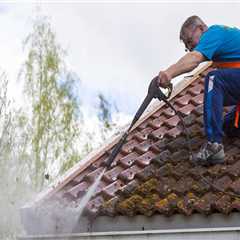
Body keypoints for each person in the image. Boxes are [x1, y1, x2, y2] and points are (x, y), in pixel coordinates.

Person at [157, 15, 240, 165]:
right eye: (187, 46)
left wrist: (169, 73)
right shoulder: (225, 52)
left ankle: (214, 145)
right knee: (229, 126)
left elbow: (194, 59)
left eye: (189, 41)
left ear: (201, 28)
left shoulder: (214, 32)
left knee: (214, 80)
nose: (190, 48)